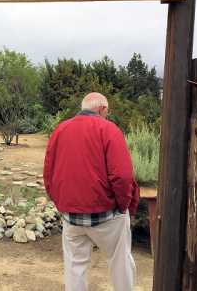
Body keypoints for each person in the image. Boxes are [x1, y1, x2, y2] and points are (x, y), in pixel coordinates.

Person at [43, 92, 139, 291]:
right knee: (120, 263)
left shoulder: (60, 130)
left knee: (74, 267)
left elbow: (48, 171)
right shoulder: (109, 129)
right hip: (107, 215)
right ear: (102, 109)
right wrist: (124, 206)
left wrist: (59, 202)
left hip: (71, 216)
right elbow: (122, 175)